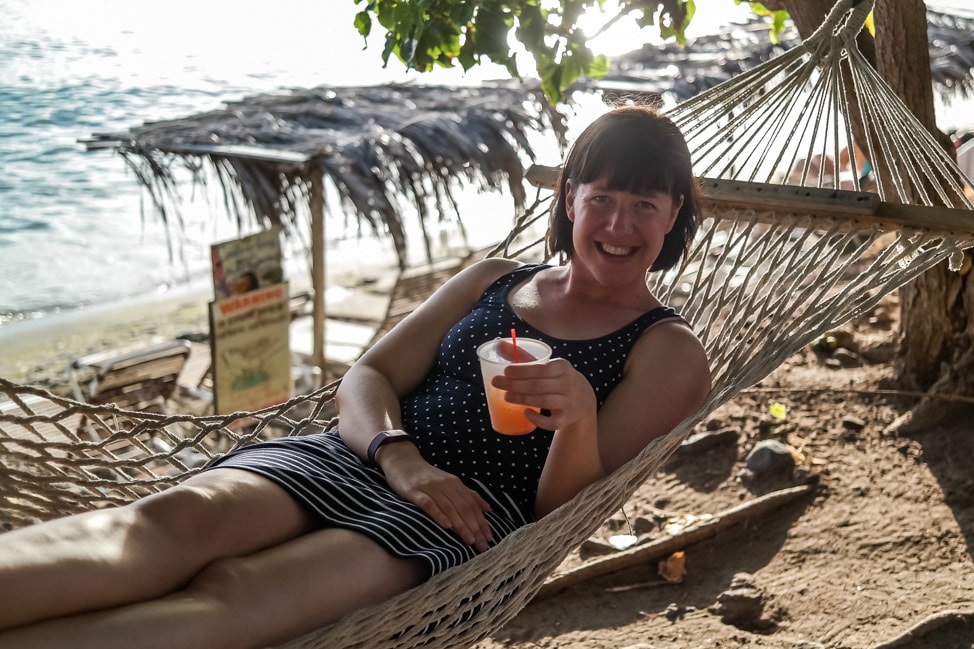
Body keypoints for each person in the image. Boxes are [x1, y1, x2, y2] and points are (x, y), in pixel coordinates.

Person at [0, 104, 712, 649]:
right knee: (171, 522)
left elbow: (565, 511)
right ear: (570, 198)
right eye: (603, 199)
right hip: (360, 452)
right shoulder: (496, 279)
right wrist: (397, 455)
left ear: (674, 213)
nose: (620, 225)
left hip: (471, 519)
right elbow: (369, 374)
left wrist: (580, 415)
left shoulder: (667, 351)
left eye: (645, 205)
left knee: (239, 595)